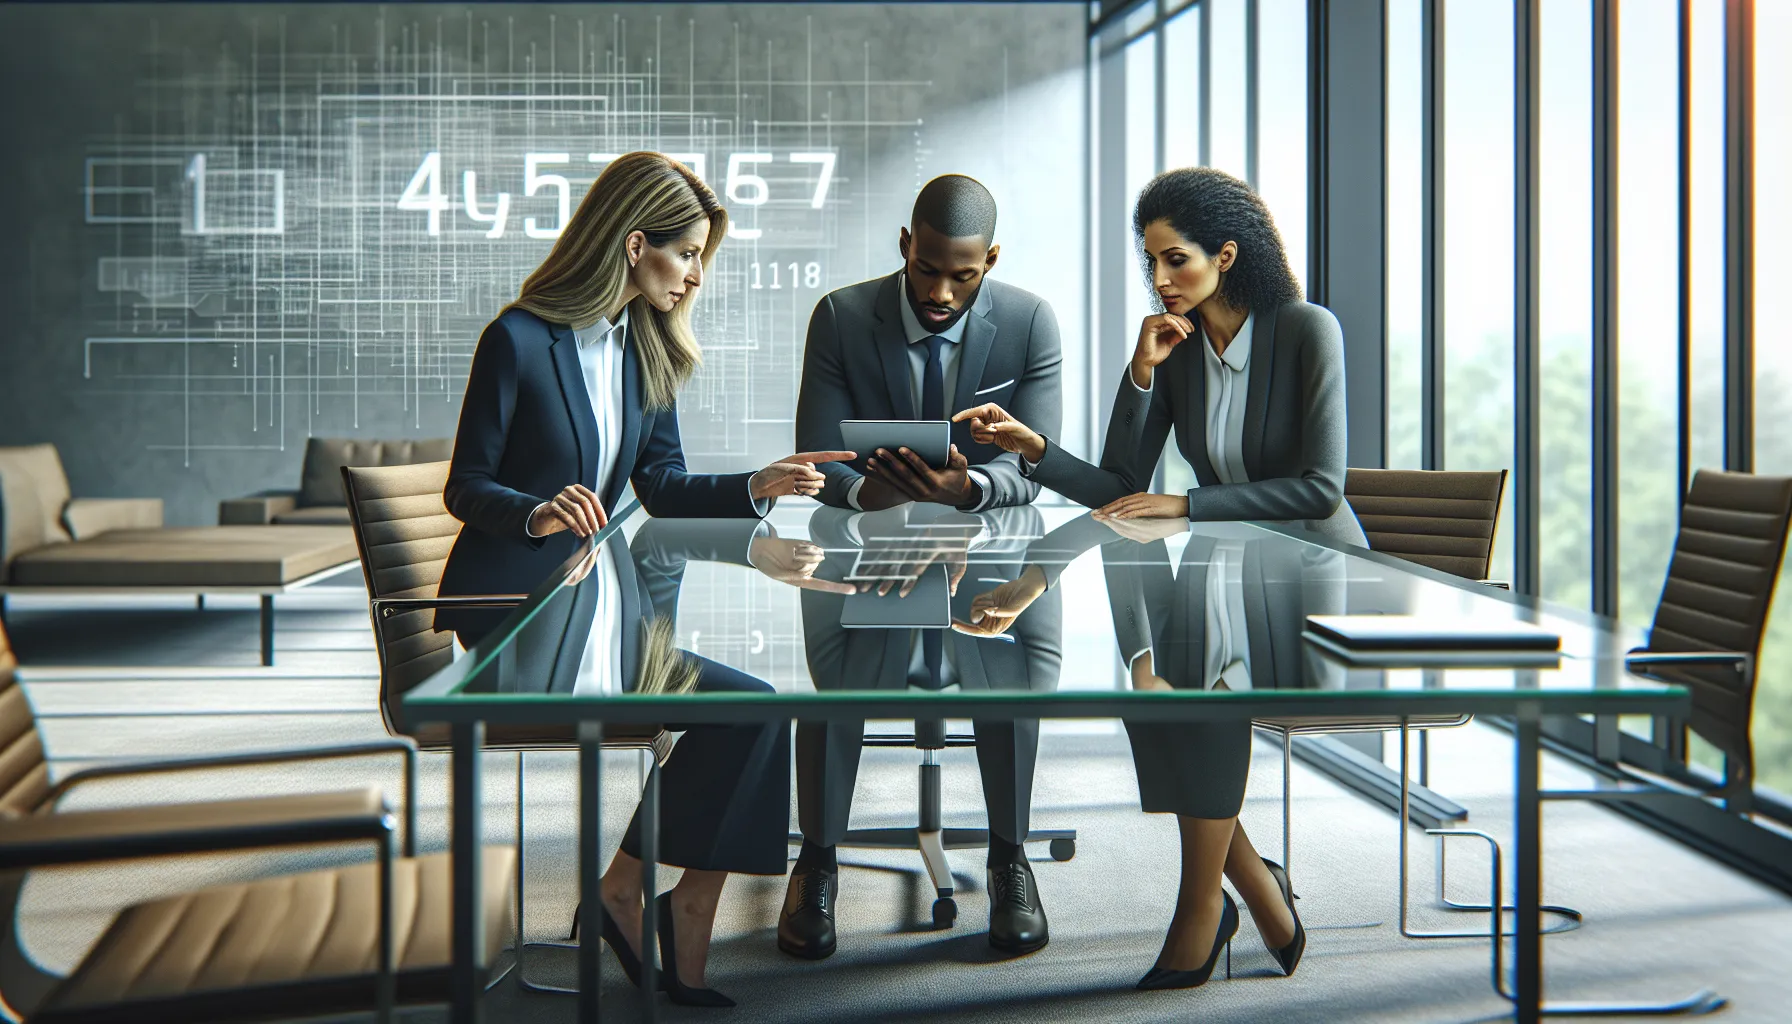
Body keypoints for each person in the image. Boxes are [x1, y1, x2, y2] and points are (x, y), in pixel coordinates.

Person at [437, 151, 848, 1007]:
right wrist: (537, 513)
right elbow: (465, 485)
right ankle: (631, 898)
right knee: (741, 712)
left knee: (758, 711)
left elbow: (660, 484)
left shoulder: (643, 347)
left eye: (703, 256)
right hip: (519, 619)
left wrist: (756, 487)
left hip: (595, 611)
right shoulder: (518, 338)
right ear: (633, 245)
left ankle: (662, 899)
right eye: (687, 253)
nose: (697, 274)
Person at [953, 167, 1367, 546]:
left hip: (1322, 562)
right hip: (1225, 564)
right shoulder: (1177, 350)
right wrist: (1036, 447)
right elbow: (1118, 491)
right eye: (1152, 260)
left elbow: (1322, 491)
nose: (1159, 280)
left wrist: (1189, 504)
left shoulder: (1308, 330)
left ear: (1224, 256)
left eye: (1176, 260)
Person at [779, 504, 1061, 961]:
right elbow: (827, 483)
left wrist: (965, 518)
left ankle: (1009, 859)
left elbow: (1023, 480)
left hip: (984, 608)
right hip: (876, 612)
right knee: (826, 705)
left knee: (1010, 699)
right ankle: (817, 862)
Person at [794, 174, 1063, 513]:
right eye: (925, 269)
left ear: (989, 260)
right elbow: (817, 455)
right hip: (866, 552)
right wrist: (862, 492)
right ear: (906, 245)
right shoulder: (839, 319)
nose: (941, 294)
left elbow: (1039, 460)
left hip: (987, 554)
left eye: (963, 276)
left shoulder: (1030, 323)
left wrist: (971, 488)